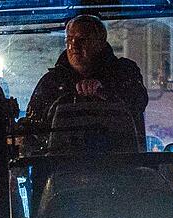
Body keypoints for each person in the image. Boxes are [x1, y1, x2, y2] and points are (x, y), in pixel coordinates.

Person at [26, 15, 148, 145]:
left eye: (82, 39)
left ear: (101, 42)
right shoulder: (51, 82)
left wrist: (105, 90)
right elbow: (33, 123)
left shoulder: (124, 72)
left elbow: (138, 100)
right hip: (59, 159)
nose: (74, 46)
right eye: (69, 40)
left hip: (121, 157)